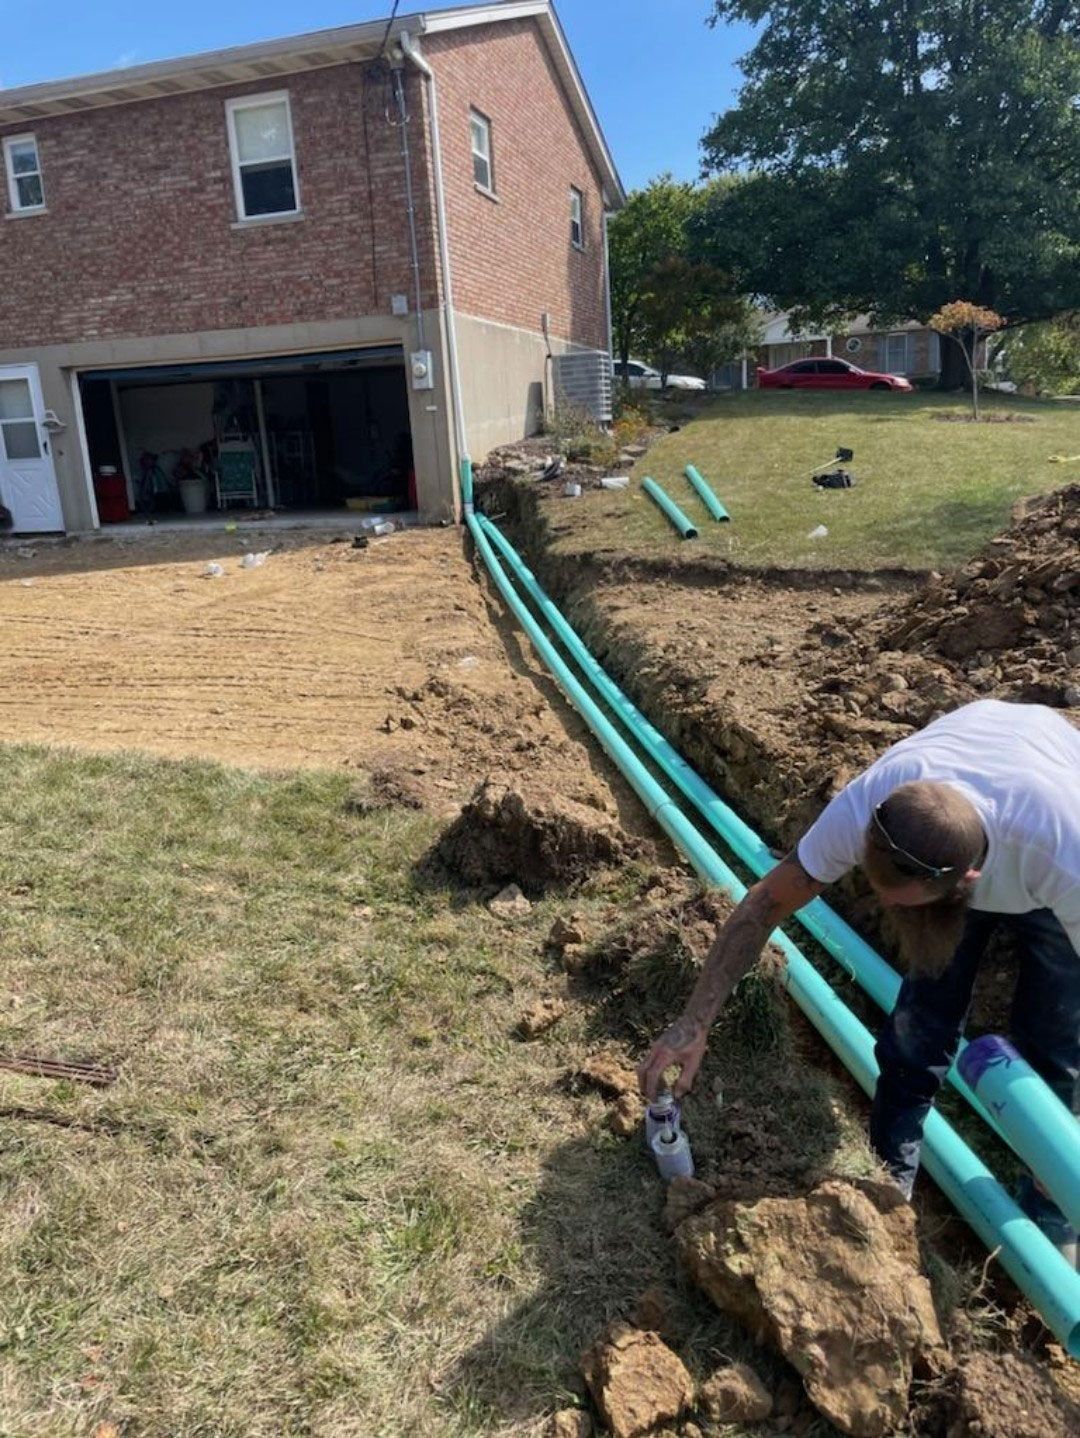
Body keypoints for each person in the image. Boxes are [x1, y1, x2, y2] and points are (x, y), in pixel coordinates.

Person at [637, 700, 1080, 1262]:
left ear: (966, 883)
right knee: (921, 1023)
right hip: (980, 786)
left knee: (1056, 1035)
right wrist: (692, 1022)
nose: (883, 906)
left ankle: (1051, 1211)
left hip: (1041, 844)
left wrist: (1068, 1150)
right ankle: (892, 1174)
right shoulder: (872, 805)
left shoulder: (1064, 851)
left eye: (903, 902)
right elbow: (762, 907)